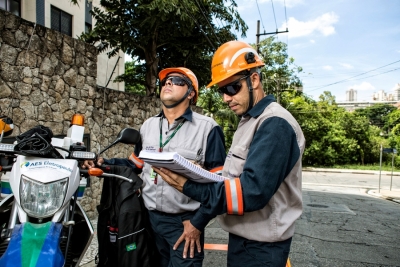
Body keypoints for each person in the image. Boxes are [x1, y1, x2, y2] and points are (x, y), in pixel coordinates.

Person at [153, 41, 305, 267]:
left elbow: (250, 192)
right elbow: (232, 179)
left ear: (254, 79)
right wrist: (199, 172)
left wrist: (187, 186)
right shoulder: (250, 121)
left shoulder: (275, 124)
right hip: (244, 242)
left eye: (232, 88)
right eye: (222, 90)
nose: (226, 97)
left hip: (262, 250)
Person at [84, 67, 226, 267]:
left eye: (177, 80)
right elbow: (135, 165)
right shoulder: (148, 126)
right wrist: (104, 163)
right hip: (149, 221)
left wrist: (197, 222)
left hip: (184, 225)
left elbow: (218, 187)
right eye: (166, 80)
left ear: (191, 93)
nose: (168, 83)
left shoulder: (208, 129)